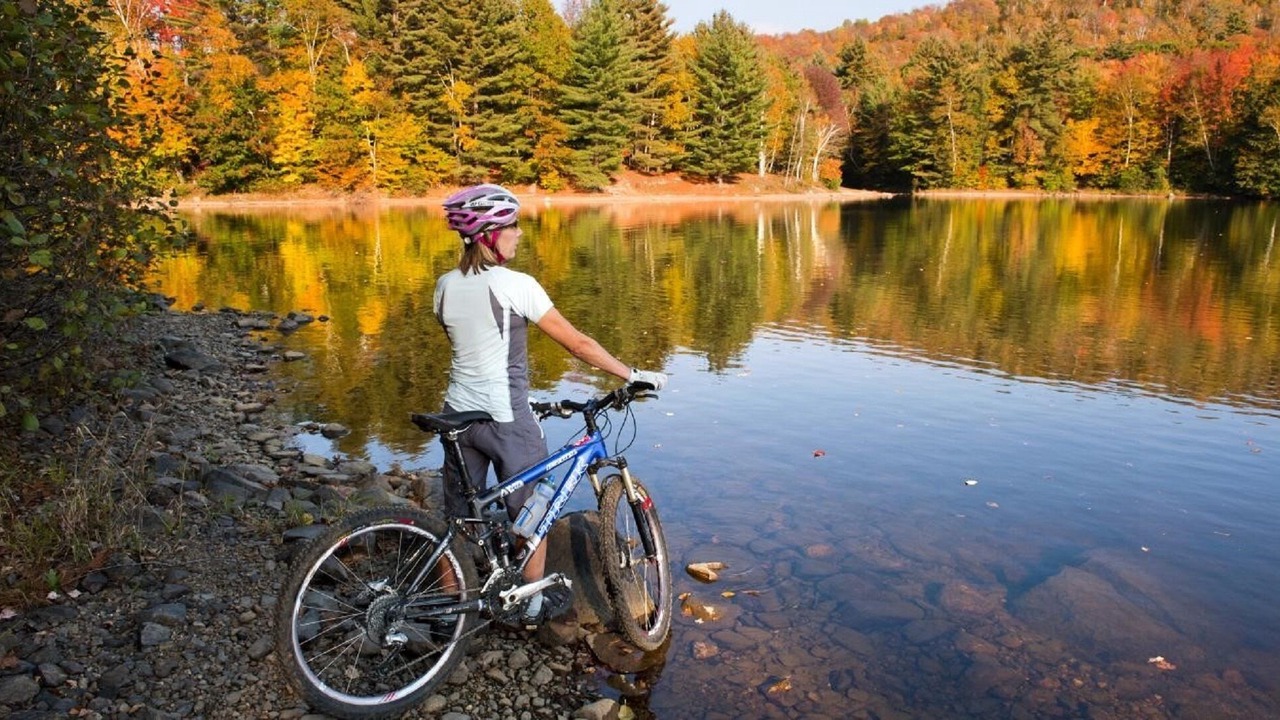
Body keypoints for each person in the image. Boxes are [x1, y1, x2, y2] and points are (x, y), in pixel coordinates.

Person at [434, 183, 667, 625]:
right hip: (505, 419)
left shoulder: (444, 286)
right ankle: (531, 604)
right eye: (511, 226)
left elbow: (470, 348)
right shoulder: (515, 285)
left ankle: (450, 609)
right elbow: (578, 344)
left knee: (459, 518)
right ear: (488, 234)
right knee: (533, 512)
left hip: (456, 415)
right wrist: (632, 374)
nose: (519, 233)